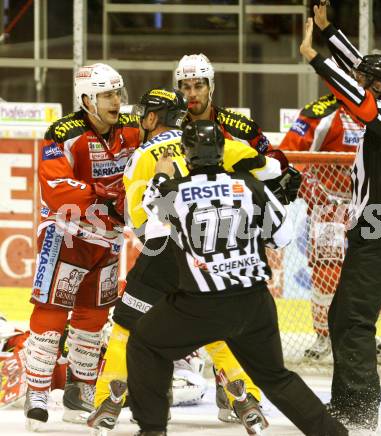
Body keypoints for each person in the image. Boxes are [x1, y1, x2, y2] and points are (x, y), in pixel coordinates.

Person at [126, 119, 348, 436]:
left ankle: (152, 430)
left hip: (198, 307)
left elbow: (149, 231)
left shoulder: (174, 192)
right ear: (221, 152)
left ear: (186, 155)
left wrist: (161, 175)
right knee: (275, 378)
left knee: (145, 344)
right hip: (254, 304)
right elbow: (281, 238)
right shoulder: (251, 187)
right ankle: (334, 434)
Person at [87, 87, 287, 432]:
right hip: (204, 249)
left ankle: (110, 396)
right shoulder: (211, 142)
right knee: (208, 323)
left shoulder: (143, 156)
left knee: (126, 325)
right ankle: (246, 397)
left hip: (161, 250)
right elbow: (269, 167)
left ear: (151, 118)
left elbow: (139, 219)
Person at [300, 2, 381, 431]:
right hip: (375, 228)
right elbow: (361, 71)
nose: (359, 83)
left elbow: (358, 97)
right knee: (340, 317)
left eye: (367, 82)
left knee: (354, 320)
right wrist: (329, 31)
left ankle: (361, 411)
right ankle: (346, 405)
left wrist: (316, 58)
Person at [174, 52, 302, 417]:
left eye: (198, 85)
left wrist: (283, 177)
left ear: (211, 87)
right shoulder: (169, 125)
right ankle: (181, 369)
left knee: (236, 309)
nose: (191, 93)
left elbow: (273, 156)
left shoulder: (236, 124)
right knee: (182, 304)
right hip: (187, 235)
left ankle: (232, 388)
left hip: (234, 234)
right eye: (185, 86)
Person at [24, 63, 142, 430]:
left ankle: (80, 391)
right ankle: (38, 391)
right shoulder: (63, 132)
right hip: (67, 235)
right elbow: (56, 188)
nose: (116, 101)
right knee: (52, 311)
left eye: (118, 93)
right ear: (87, 98)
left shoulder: (130, 131)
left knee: (93, 317)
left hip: (107, 240)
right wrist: (102, 199)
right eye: (107, 94)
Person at [279, 94, 381, 360]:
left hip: (369, 208)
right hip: (329, 205)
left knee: (372, 273)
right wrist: (310, 189)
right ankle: (323, 337)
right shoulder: (323, 112)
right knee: (326, 273)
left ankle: (363, 334)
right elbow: (290, 156)